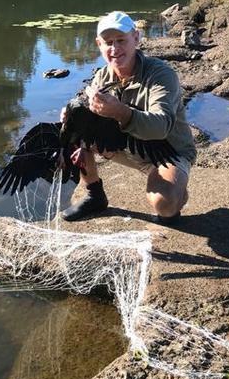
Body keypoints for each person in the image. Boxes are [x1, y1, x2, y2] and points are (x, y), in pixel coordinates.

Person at [60, 11, 196, 224]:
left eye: (121, 40)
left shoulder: (161, 75)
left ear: (136, 38)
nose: (115, 49)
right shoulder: (102, 77)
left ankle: (176, 193)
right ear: (99, 44)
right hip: (129, 147)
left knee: (164, 203)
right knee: (76, 124)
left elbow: (161, 127)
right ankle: (94, 195)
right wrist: (71, 119)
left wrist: (120, 112)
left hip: (167, 150)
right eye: (108, 42)